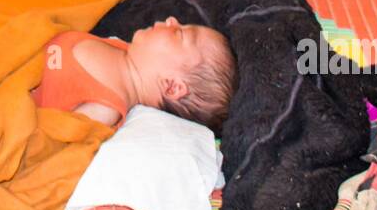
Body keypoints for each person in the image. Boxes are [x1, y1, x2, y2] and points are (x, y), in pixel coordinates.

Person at [30, 16, 237, 134]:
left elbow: (48, 137)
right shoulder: (120, 48)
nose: (172, 20)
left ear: (172, 86)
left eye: (179, 33)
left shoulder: (105, 110)